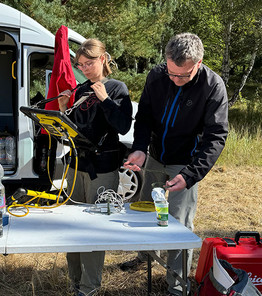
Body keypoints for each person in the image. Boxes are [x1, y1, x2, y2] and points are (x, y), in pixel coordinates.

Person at [122, 33, 228, 295]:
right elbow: (144, 115)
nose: (176, 80)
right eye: (172, 73)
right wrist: (139, 149)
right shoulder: (158, 76)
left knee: (178, 224)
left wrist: (191, 174)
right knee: (145, 210)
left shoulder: (213, 86)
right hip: (156, 155)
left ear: (199, 63)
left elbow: (216, 136)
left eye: (183, 75)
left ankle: (177, 284)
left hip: (186, 163)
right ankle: (145, 257)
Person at [58, 38, 133, 296]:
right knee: (72, 225)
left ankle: (89, 288)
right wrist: (62, 110)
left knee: (94, 228)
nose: (85, 69)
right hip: (77, 165)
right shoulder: (80, 90)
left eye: (89, 63)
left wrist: (105, 100)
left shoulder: (117, 88)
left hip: (102, 168)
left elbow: (123, 126)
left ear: (102, 59)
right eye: (80, 65)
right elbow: (76, 130)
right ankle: (74, 283)